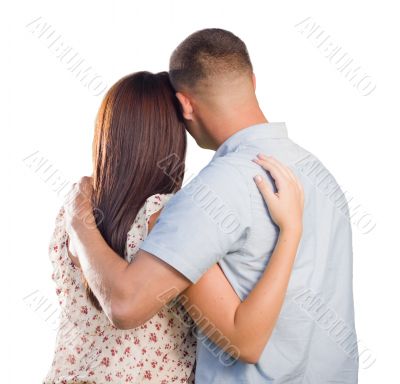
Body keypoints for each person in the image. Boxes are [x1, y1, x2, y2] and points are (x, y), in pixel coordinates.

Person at [66, 29, 358, 383]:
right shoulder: (320, 175)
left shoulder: (214, 190)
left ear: (185, 104)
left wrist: (80, 223)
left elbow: (126, 306)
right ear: (252, 80)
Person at [46, 71, 304, 383]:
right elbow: (243, 340)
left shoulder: (74, 210)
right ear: (172, 137)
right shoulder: (166, 218)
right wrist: (291, 230)